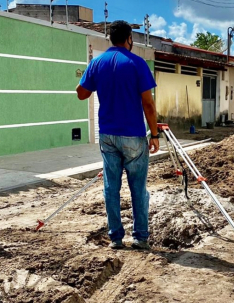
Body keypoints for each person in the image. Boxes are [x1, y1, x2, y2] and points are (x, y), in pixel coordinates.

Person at [76, 20, 160, 250]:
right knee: (138, 189)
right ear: (129, 38)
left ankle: (116, 238)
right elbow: (148, 105)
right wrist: (154, 134)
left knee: (111, 189)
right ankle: (140, 237)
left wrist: (91, 75)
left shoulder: (97, 62)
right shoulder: (137, 63)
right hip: (133, 135)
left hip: (107, 135)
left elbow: (81, 93)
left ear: (110, 39)